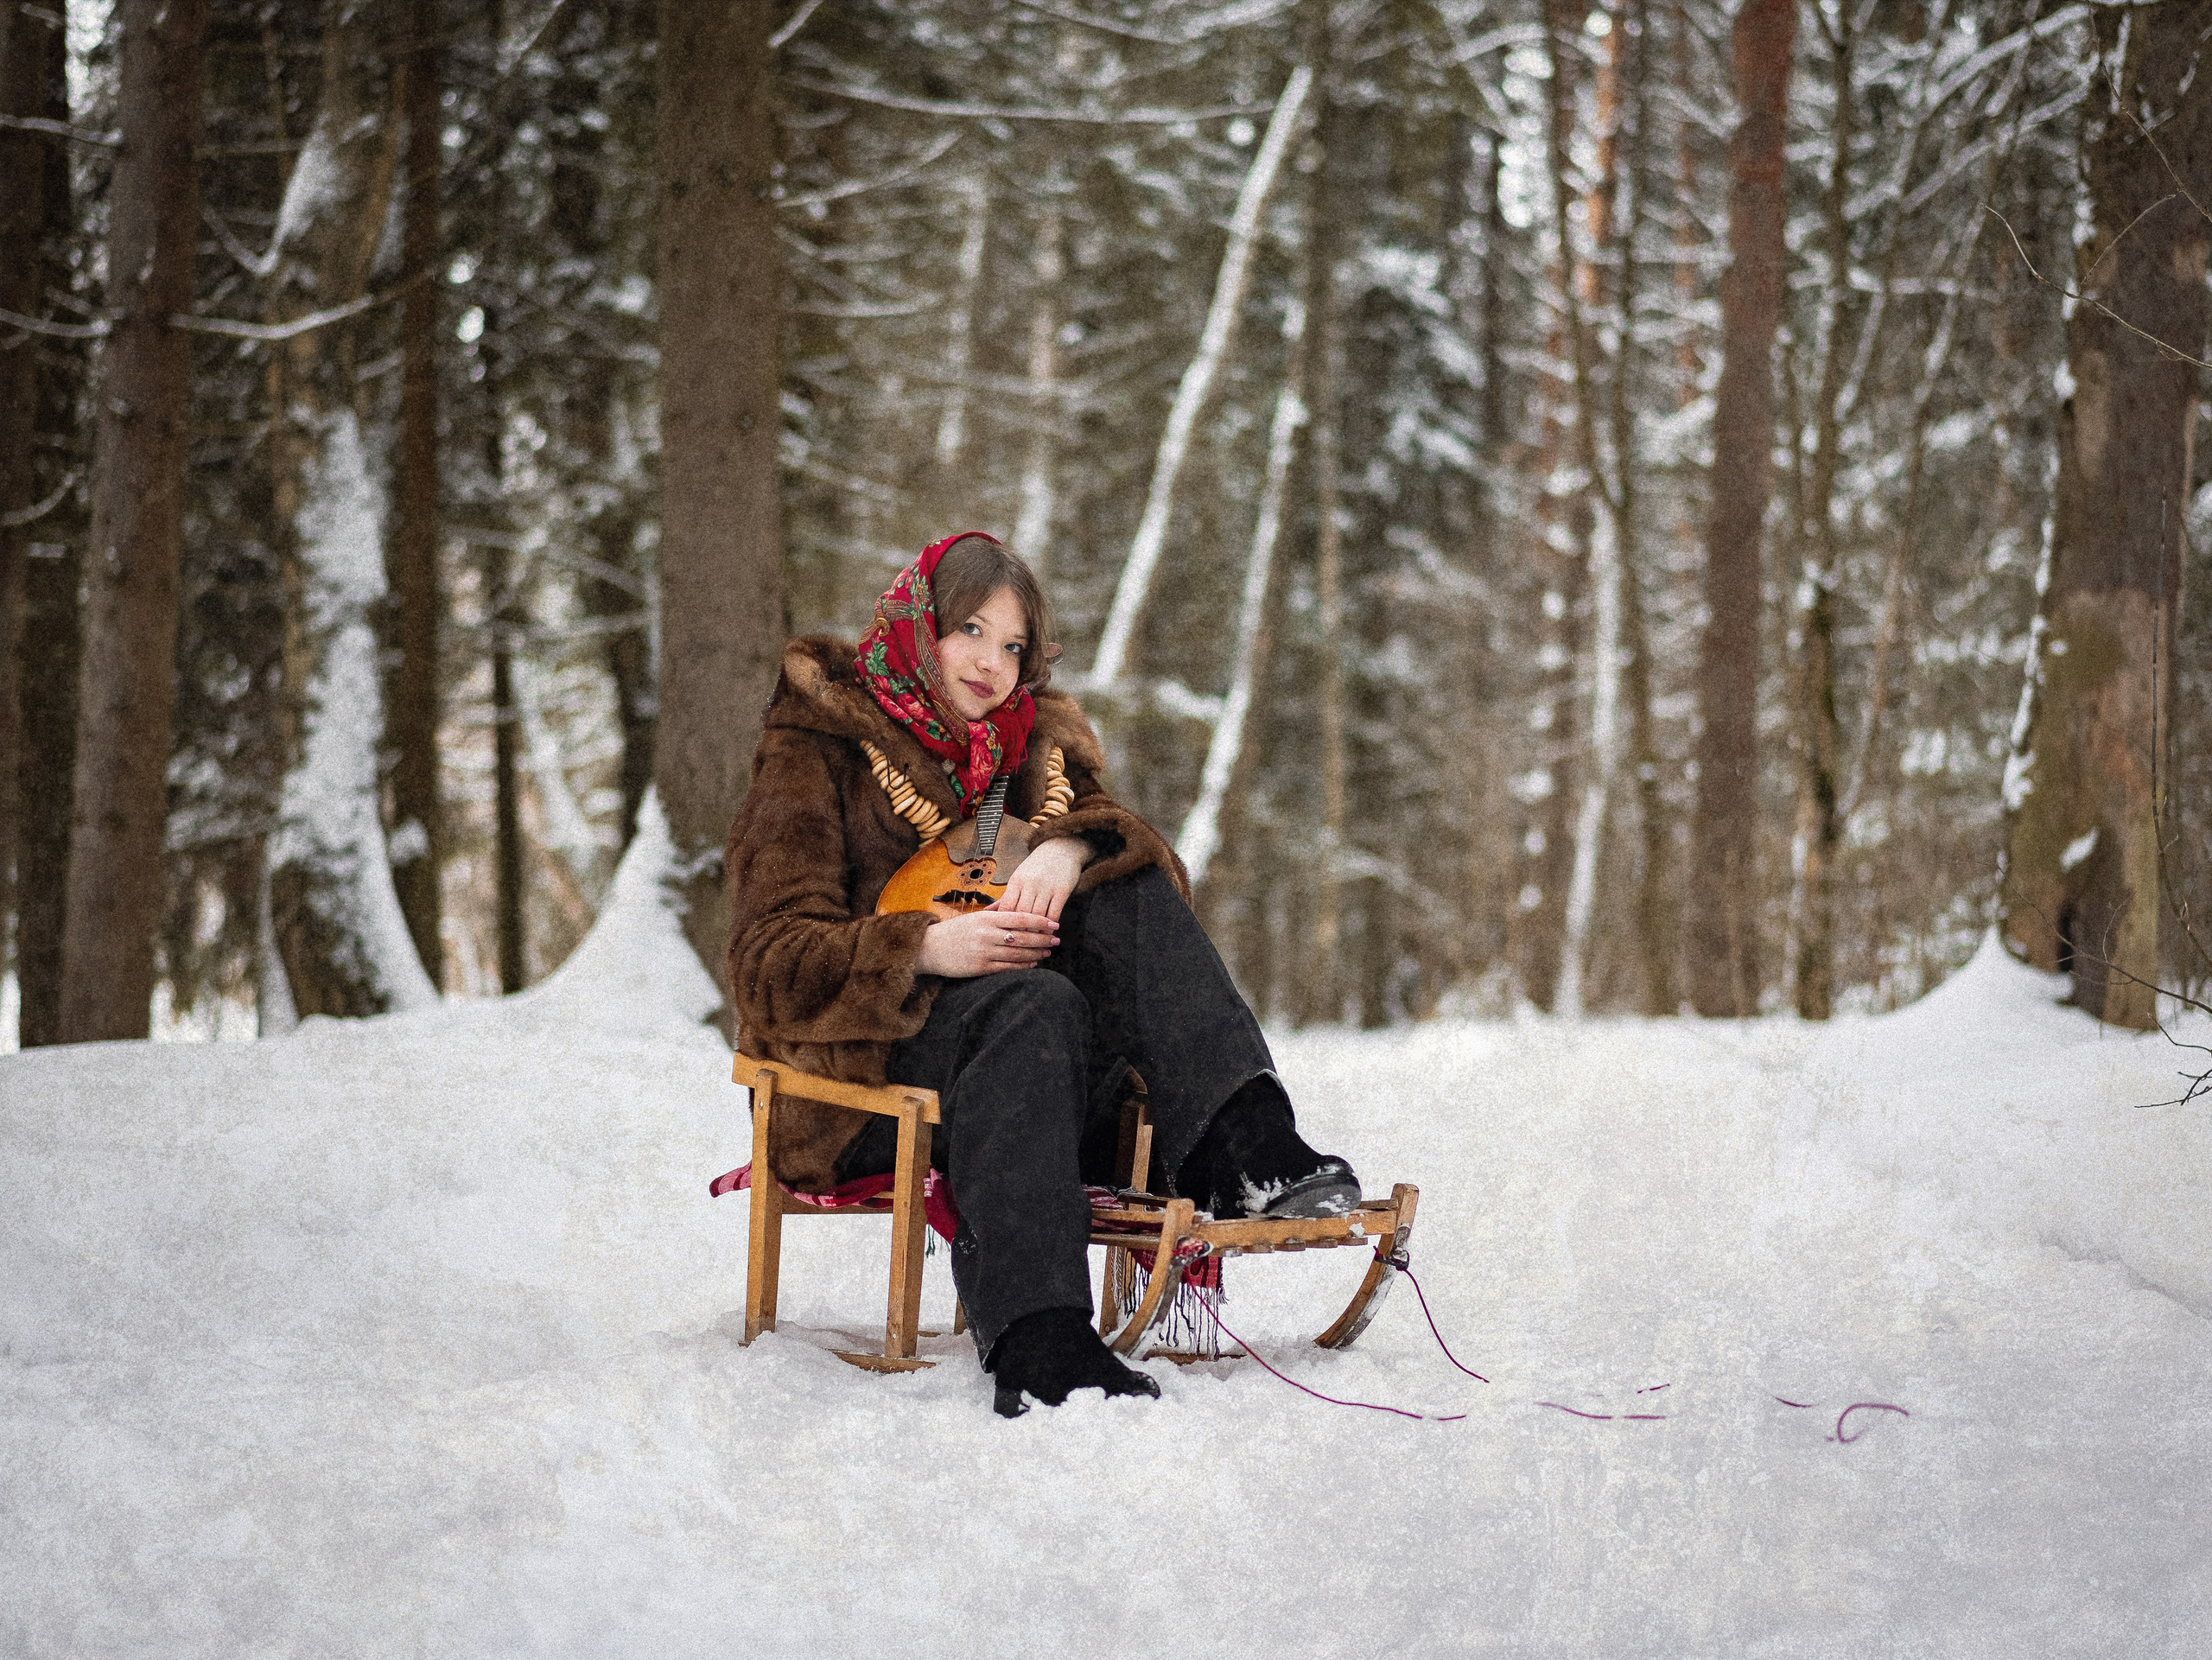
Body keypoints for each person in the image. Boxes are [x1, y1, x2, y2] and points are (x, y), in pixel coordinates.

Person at [724, 531, 1358, 1417]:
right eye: (971, 632)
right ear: (920, 627)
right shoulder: (818, 746)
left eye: (1013, 646)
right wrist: (927, 949)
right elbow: (764, 967)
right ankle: (1037, 1332)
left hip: (1035, 1078)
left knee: (1114, 884)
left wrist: (1066, 849)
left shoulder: (1033, 748)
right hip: (854, 1073)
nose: (991, 664)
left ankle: (1244, 1144)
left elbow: (1142, 866)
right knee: (1029, 1001)